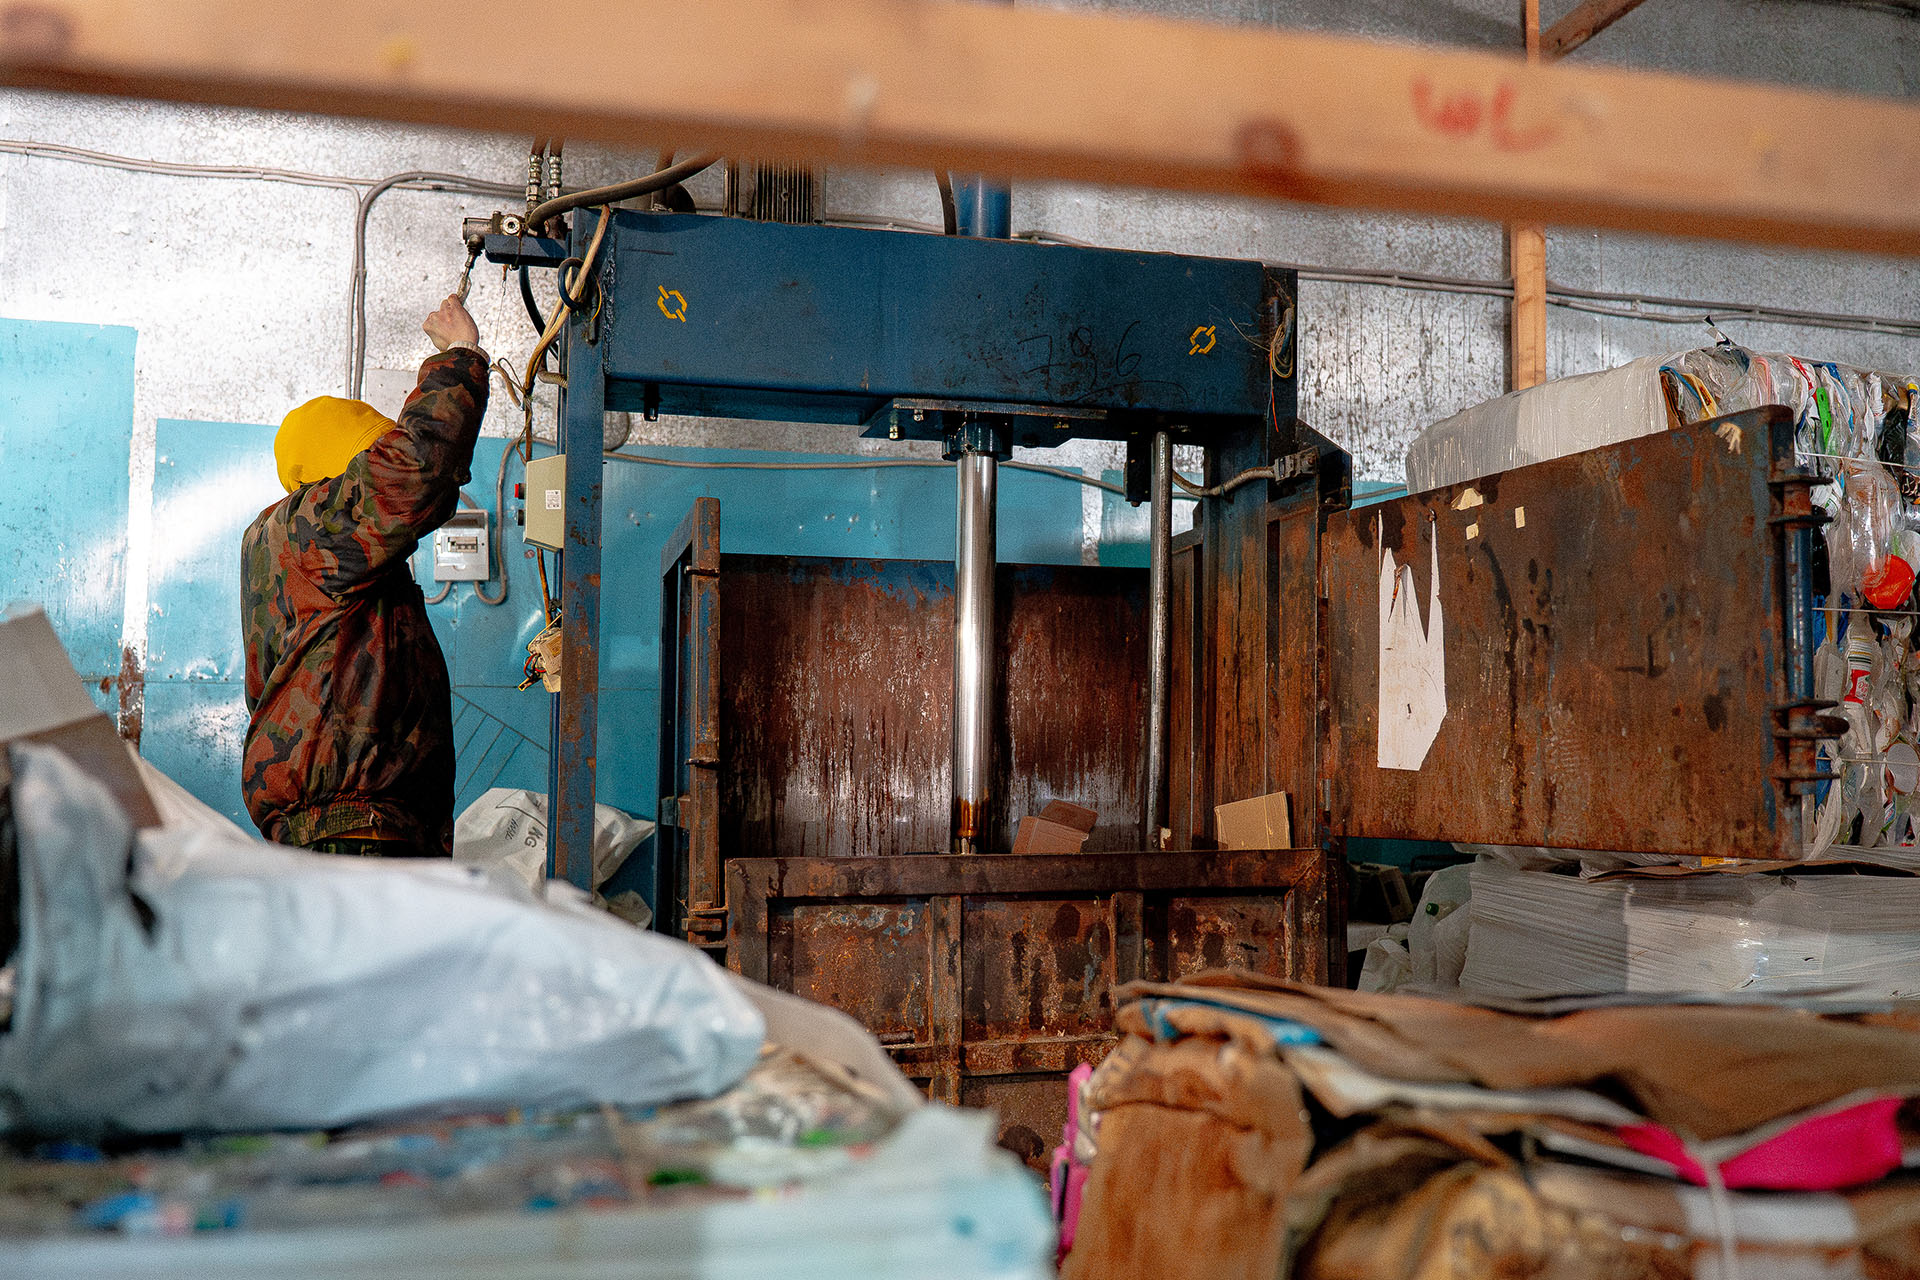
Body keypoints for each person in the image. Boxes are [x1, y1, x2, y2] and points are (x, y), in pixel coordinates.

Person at [241, 295, 489, 857]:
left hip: (356, 825)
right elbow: (416, 472)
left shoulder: (307, 548)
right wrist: (460, 354)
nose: (383, 465)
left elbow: (425, 490)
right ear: (332, 470)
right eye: (371, 457)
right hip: (351, 830)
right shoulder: (309, 527)